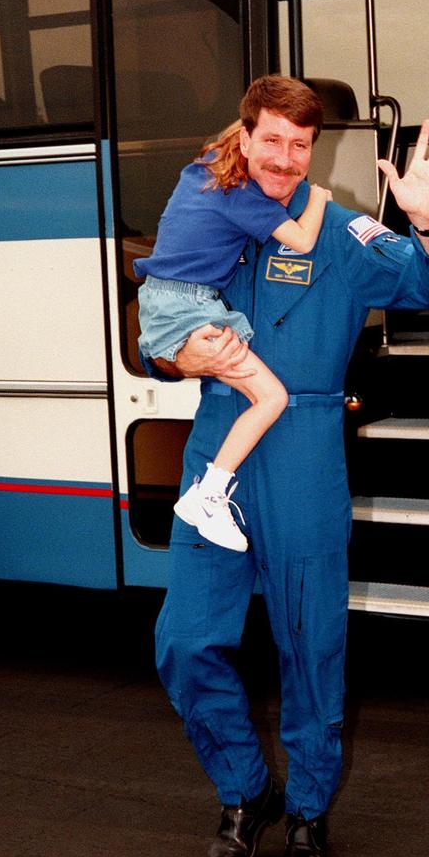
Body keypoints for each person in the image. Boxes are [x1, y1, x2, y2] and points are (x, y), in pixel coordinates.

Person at [143, 75, 429, 857]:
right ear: (246, 135)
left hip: (302, 456)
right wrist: (171, 355)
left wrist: (428, 225)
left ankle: (308, 811)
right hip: (217, 449)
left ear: (311, 150)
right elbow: (161, 336)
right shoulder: (214, 212)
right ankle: (242, 793)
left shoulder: (336, 233)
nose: (285, 159)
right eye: (272, 141)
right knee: (185, 642)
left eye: (301, 145)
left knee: (310, 647)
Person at [133, 118, 331, 551]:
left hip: (162, 298)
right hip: (189, 305)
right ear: (245, 142)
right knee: (272, 397)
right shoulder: (244, 197)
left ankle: (208, 495)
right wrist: (318, 198)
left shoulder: (203, 168)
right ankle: (208, 497)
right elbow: (300, 240)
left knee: (261, 395)